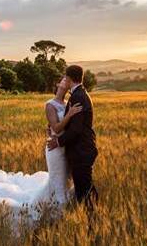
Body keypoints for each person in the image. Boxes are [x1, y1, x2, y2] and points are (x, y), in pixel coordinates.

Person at [0, 77, 82, 219]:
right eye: (63, 79)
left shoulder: (67, 103)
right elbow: (56, 129)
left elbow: (65, 127)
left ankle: (57, 206)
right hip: (55, 149)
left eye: (67, 80)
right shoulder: (50, 105)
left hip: (65, 146)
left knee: (64, 180)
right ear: (57, 84)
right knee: (57, 179)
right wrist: (68, 116)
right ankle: (56, 213)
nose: (66, 81)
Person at [47, 65, 98, 210]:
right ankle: (94, 214)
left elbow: (76, 129)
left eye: (65, 77)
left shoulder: (78, 97)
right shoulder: (80, 94)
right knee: (84, 186)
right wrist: (52, 128)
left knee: (83, 189)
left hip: (81, 150)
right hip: (80, 150)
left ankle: (92, 217)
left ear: (69, 78)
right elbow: (67, 124)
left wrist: (58, 141)